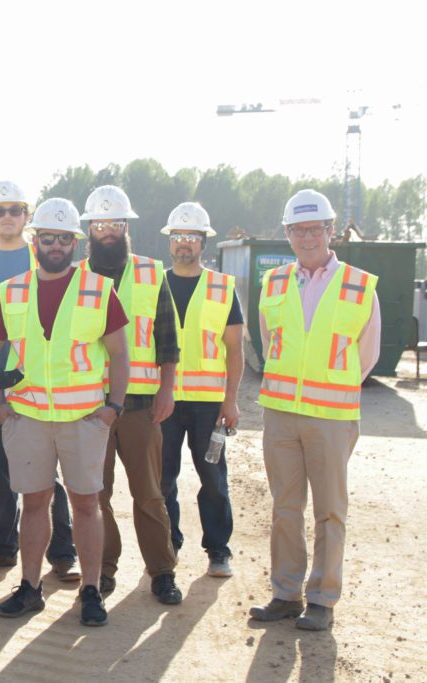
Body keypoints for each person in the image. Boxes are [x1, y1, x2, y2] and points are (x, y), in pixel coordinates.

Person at [0, 198, 129, 626]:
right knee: (34, 503)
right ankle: (30, 588)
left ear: (74, 244)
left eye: (65, 239)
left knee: (87, 505)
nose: (57, 245)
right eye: (49, 238)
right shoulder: (10, 292)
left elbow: (120, 354)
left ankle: (91, 591)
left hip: (84, 420)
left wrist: (113, 407)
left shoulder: (99, 290)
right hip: (27, 418)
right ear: (35, 240)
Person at [249, 189, 380, 631]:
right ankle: (286, 593)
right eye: (298, 229)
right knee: (285, 506)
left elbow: (368, 354)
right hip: (281, 414)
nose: (307, 237)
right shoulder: (274, 283)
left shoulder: (360, 285)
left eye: (315, 228)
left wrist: (329, 391)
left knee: (329, 509)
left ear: (330, 231)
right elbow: (270, 344)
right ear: (287, 234)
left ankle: (322, 597)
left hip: (332, 416)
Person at [0, 181, 80, 583]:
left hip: (33, 386)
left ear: (28, 218)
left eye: (15, 210)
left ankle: (63, 552)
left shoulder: (45, 256)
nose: (7, 217)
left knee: (46, 475)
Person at [81, 185, 183, 605]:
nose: (108, 232)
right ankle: (103, 569)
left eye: (115, 224)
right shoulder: (76, 278)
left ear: (126, 228)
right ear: (89, 229)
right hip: (90, 405)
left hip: (142, 406)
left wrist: (167, 389)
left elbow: (167, 338)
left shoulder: (149, 273)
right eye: (101, 224)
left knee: (149, 493)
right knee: (96, 495)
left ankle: (162, 571)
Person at [159, 202, 243, 578]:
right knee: (162, 477)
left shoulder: (223, 288)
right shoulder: (155, 285)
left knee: (213, 477)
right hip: (163, 400)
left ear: (203, 242)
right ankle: (167, 545)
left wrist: (231, 401)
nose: (183, 244)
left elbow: (235, 349)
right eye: (178, 236)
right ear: (170, 241)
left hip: (209, 404)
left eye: (191, 237)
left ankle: (218, 549)